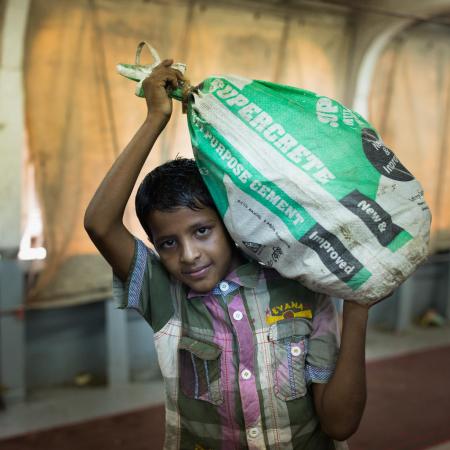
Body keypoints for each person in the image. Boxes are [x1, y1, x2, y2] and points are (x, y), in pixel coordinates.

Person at [84, 59, 371, 449]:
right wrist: (155, 118)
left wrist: (358, 308)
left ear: (231, 223)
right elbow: (100, 224)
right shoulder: (165, 296)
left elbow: (339, 426)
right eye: (168, 242)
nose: (188, 255)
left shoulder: (299, 284)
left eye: (202, 231)